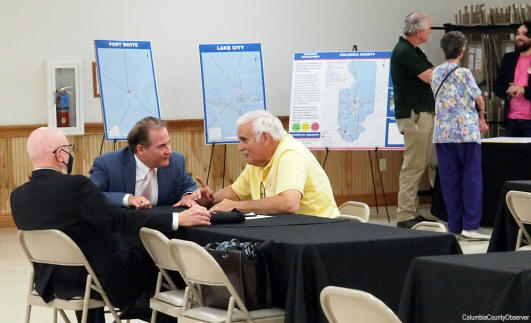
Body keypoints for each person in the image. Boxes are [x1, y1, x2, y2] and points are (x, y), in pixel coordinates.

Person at [10, 127, 211, 322]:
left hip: (50, 282)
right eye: (69, 149)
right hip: (95, 282)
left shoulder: (17, 197)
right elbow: (119, 220)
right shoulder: (75, 186)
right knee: (161, 265)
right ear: (61, 154)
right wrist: (177, 219)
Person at [192, 110, 340, 218]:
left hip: (320, 233)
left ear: (265, 138)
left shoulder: (291, 153)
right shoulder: (258, 161)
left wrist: (236, 206)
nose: (240, 147)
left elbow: (289, 203)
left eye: (244, 140)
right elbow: (236, 192)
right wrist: (211, 200)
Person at [431, 31, 490, 239]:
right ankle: (471, 225)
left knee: (450, 180)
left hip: (442, 134)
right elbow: (479, 99)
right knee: (471, 178)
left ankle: (454, 225)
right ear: (462, 51)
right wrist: (482, 115)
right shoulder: (464, 73)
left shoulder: (436, 72)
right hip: (465, 133)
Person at [89, 116, 199, 209]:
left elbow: (188, 186)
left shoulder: (176, 161)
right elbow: (90, 196)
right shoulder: (107, 164)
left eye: (168, 144)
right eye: (161, 146)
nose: (169, 151)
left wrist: (188, 196)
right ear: (141, 149)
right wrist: (128, 199)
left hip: (164, 228)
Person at [391, 12, 436, 228]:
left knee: (419, 164)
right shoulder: (404, 51)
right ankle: (405, 215)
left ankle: (413, 211)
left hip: (420, 112)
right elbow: (430, 76)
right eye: (428, 29)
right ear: (418, 31)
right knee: (413, 165)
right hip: (414, 115)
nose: (429, 32)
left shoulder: (414, 51)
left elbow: (431, 71)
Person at [494, 21, 531, 136]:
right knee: (511, 154)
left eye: (524, 34)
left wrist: (524, 90)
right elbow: (497, 87)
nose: (519, 37)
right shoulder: (508, 58)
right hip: (511, 121)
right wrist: (508, 90)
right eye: (518, 33)